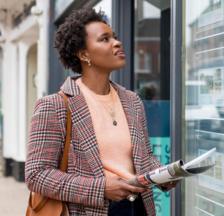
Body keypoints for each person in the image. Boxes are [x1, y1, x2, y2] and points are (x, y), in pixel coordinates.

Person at [25, 8, 176, 216]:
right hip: (91, 210)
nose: (117, 43)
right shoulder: (54, 106)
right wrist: (101, 188)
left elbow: (144, 157)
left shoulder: (132, 101)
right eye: (105, 39)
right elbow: (37, 174)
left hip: (139, 206)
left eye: (114, 37)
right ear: (84, 54)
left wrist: (164, 173)